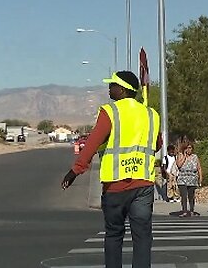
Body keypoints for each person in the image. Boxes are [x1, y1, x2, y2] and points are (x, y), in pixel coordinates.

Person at [61, 71, 161, 268]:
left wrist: (75, 170)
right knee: (142, 237)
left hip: (116, 186)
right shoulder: (151, 114)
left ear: (122, 90)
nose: (109, 88)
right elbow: (156, 144)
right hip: (143, 184)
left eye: (112, 85)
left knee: (114, 235)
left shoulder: (111, 112)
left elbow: (92, 143)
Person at [176, 142, 203, 217]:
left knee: (191, 196)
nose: (189, 149)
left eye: (190, 148)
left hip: (192, 178)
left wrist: (200, 178)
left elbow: (199, 168)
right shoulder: (180, 155)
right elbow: (179, 165)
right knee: (184, 195)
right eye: (187, 148)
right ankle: (184, 210)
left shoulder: (195, 157)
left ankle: (191, 210)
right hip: (182, 178)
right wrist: (184, 156)